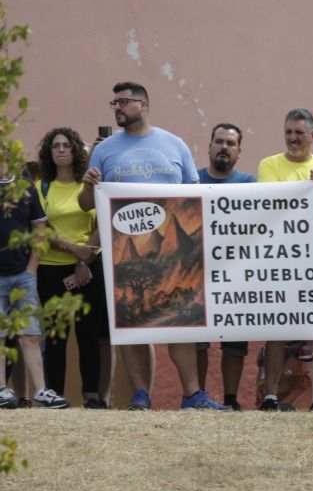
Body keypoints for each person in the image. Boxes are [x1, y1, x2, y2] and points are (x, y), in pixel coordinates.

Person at [80, 81, 218, 410]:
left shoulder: (174, 144)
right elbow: (88, 203)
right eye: (113, 102)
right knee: (132, 324)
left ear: (143, 105)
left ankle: (192, 395)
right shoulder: (104, 149)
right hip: (123, 250)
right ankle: (141, 394)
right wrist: (87, 187)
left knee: (179, 321)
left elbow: (194, 196)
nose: (117, 108)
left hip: (174, 251)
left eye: (124, 102)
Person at [255, 108, 313, 411]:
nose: (293, 138)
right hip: (280, 258)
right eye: (289, 133)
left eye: (299, 133)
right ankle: (270, 397)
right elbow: (272, 208)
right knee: (277, 327)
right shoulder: (268, 165)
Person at [35, 128, 107, 408]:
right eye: (56, 146)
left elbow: (103, 221)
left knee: (89, 334)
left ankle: (92, 397)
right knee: (56, 336)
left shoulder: (89, 184)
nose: (61, 150)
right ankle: (55, 395)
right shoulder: (42, 186)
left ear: (77, 150)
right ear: (49, 153)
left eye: (67, 145)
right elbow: (41, 227)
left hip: (89, 267)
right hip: (51, 268)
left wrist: (83, 259)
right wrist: (72, 249)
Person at [194, 122, 257, 408]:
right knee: (198, 341)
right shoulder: (191, 182)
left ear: (239, 151)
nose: (224, 147)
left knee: (235, 343)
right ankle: (197, 396)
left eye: (230, 144)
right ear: (209, 146)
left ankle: (231, 400)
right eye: (219, 142)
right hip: (195, 273)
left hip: (236, 274)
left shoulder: (249, 184)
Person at [0, 174, 55, 408]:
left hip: (23, 275)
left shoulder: (27, 188)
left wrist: (32, 268)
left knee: (31, 334)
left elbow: (40, 228)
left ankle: (41, 391)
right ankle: (2, 389)